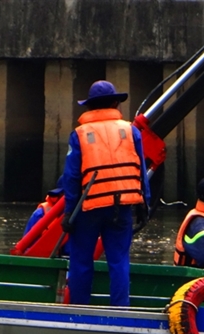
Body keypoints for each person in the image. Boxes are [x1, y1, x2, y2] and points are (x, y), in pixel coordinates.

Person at [61, 80, 150, 306]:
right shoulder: (131, 131)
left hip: (88, 207)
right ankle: (120, 311)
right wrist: (144, 205)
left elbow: (71, 177)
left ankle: (79, 312)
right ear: (114, 103)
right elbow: (141, 169)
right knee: (119, 261)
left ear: (90, 106)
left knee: (81, 261)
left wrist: (69, 212)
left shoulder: (79, 134)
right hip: (122, 207)